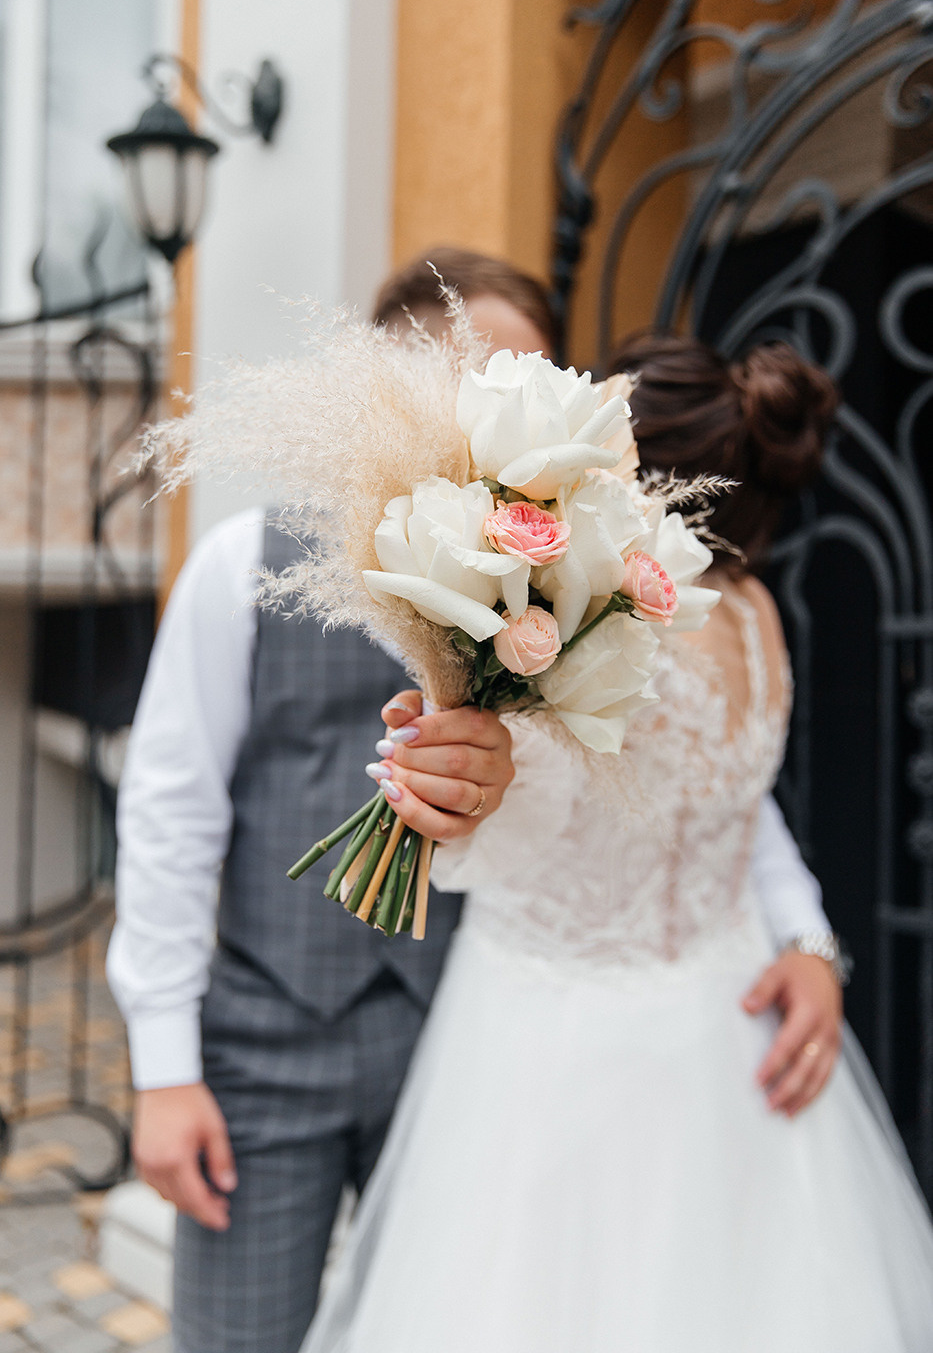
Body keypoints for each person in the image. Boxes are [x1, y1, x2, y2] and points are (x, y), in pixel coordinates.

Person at [108, 252, 841, 1353]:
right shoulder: (241, 565)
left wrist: (808, 936)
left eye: (520, 385)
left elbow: (710, 786)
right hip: (273, 1057)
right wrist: (165, 1068)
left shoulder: (583, 591)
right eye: (471, 382)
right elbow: (171, 820)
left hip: (467, 1043)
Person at [301, 334, 933, 1353]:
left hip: (565, 1056)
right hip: (724, 1042)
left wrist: (809, 942)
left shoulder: (597, 625)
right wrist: (811, 941)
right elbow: (657, 796)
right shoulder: (762, 617)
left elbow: (715, 807)